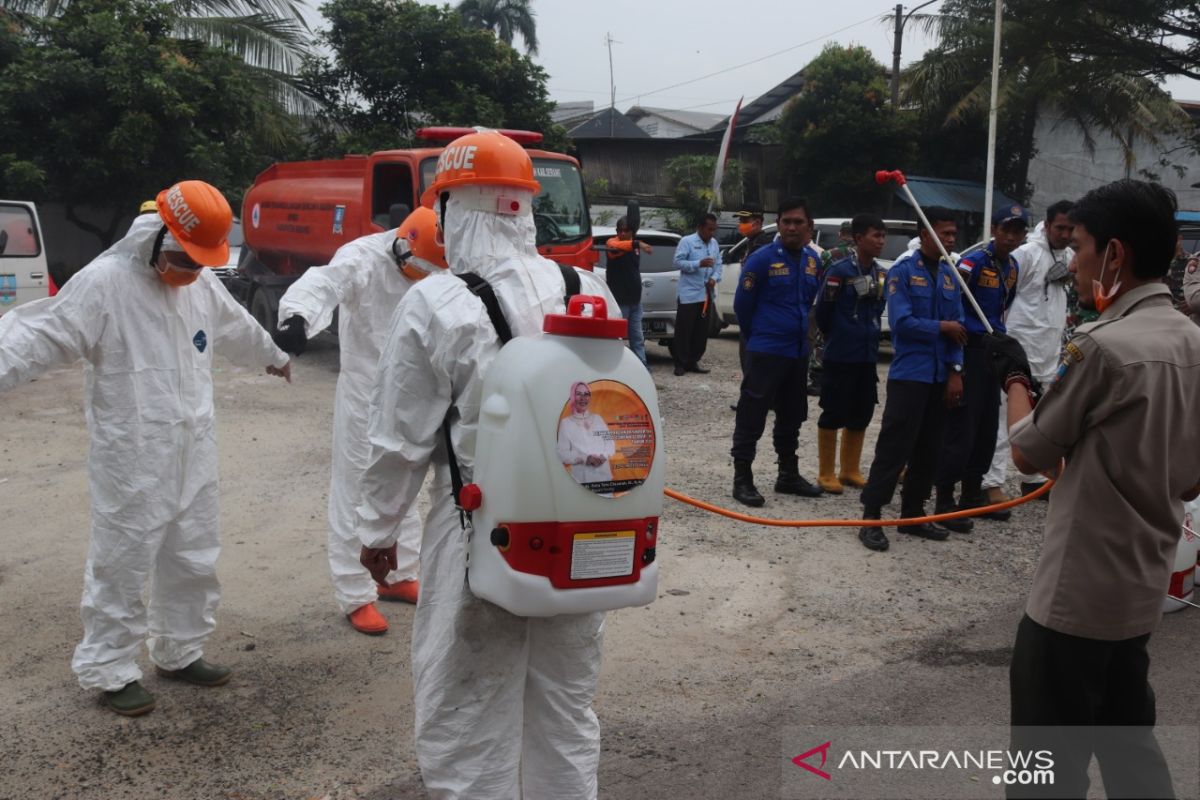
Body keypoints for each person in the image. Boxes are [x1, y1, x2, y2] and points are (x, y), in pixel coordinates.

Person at [353, 130, 618, 799]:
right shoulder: (588, 287)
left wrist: (379, 537)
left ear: (448, 210)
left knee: (468, 709)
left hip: (479, 530)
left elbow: (398, 440)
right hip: (583, 532)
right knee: (564, 705)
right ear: (525, 207)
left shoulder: (438, 303)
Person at [0, 180, 291, 716]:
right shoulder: (104, 285)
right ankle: (110, 669)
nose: (192, 270)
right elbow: (35, 335)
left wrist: (272, 355)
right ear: (157, 235)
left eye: (201, 262)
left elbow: (234, 325)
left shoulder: (199, 285)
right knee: (123, 560)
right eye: (184, 258)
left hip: (193, 448)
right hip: (132, 455)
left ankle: (180, 651)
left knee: (194, 555)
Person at [988, 179, 1200, 799]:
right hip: (1139, 589)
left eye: (1078, 247)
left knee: (1043, 774)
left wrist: (1013, 377)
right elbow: (1190, 475)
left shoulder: (1101, 349)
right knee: (1130, 752)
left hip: (1074, 602)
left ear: (1114, 254)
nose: (1072, 262)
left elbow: (1028, 450)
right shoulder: (1192, 342)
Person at [272, 207, 445, 635]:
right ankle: (355, 592)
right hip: (364, 390)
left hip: (410, 390)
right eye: (412, 270)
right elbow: (321, 283)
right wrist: (296, 317)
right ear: (401, 245)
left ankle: (399, 574)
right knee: (355, 484)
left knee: (404, 477)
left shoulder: (440, 261)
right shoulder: (362, 258)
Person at [857, 207, 966, 552]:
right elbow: (902, 323)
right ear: (924, 234)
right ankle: (871, 517)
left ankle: (913, 514)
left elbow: (959, 329)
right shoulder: (902, 272)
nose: (950, 240)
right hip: (910, 375)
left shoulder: (951, 277)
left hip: (939, 376)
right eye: (944, 234)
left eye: (953, 234)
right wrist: (941, 327)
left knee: (930, 448)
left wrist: (955, 372)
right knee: (895, 447)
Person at [730, 196, 824, 507]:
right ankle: (742, 478)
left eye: (799, 222)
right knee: (752, 414)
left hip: (797, 352)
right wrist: (759, 335)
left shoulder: (813, 261)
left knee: (792, 415)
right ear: (779, 225)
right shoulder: (761, 258)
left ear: (809, 227)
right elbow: (742, 306)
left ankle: (788, 475)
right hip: (766, 350)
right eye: (786, 222)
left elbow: (810, 301)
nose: (792, 227)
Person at [933, 204, 1024, 524]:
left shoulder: (1012, 267)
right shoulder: (972, 263)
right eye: (1006, 230)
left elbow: (1003, 308)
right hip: (969, 349)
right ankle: (944, 500)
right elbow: (953, 302)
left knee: (987, 427)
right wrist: (954, 364)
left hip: (993, 353)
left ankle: (971, 496)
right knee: (963, 428)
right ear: (994, 231)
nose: (1011, 237)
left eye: (1018, 232)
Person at [980, 201, 1073, 504]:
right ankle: (990, 481)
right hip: (1018, 350)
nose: (1065, 233)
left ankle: (1033, 479)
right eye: (1060, 227)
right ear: (1046, 225)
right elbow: (1000, 298)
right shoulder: (1026, 254)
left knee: (1042, 421)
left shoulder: (1070, 256)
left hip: (1049, 352)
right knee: (1007, 420)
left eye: (1071, 229)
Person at [813, 214, 888, 495]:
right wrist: (839, 334)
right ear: (858, 239)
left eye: (883, 236)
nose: (881, 241)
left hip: (867, 356)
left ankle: (849, 470)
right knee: (833, 410)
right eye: (875, 236)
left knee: (862, 411)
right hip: (841, 354)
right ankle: (825, 472)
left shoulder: (880, 273)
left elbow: (878, 309)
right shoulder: (840, 271)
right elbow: (823, 312)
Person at [671, 212, 722, 376]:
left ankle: (693, 361)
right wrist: (698, 263)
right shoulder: (687, 241)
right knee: (684, 331)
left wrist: (714, 278)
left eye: (714, 229)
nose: (712, 233)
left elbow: (718, 265)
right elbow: (677, 262)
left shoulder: (714, 243)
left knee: (701, 332)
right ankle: (680, 363)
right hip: (689, 294)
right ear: (700, 227)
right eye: (709, 229)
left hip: (706, 295)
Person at [604, 215, 652, 367]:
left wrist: (637, 245)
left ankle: (642, 368)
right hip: (620, 301)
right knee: (616, 338)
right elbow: (617, 247)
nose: (622, 233)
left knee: (637, 338)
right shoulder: (612, 244)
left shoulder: (633, 246)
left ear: (632, 232)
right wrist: (639, 244)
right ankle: (613, 368)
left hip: (635, 301)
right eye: (620, 230)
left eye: (626, 231)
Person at [556, 381, 615, 486]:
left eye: (586, 394)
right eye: (579, 394)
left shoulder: (598, 419)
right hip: (582, 481)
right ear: (572, 396)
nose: (583, 398)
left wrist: (603, 456)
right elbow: (562, 453)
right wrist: (585, 458)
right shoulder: (566, 423)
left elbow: (610, 444)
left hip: (604, 478)